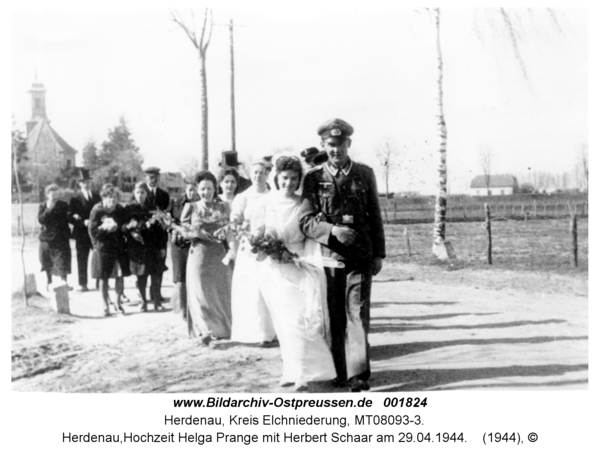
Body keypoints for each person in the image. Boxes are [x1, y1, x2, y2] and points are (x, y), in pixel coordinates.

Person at [298, 118, 386, 392]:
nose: (336, 149)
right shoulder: (314, 178)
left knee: (357, 314)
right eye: (331, 145)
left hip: (360, 255)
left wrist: (379, 254)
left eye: (341, 144)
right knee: (334, 317)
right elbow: (306, 220)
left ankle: (358, 374)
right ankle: (339, 371)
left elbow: (375, 217)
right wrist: (333, 230)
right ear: (324, 145)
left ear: (349, 144)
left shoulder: (364, 173)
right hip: (329, 258)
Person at [256, 156, 336, 391]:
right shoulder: (267, 203)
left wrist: (300, 259)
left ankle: (309, 372)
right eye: (284, 178)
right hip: (273, 270)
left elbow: (310, 235)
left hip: (298, 266)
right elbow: (259, 232)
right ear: (276, 178)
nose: (288, 183)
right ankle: (290, 370)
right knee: (282, 323)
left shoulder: (304, 203)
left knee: (300, 321)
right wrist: (265, 246)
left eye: (293, 178)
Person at [180, 171, 233, 344]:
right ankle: (204, 331)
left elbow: (230, 229)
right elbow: (184, 231)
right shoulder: (191, 207)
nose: (206, 192)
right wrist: (197, 233)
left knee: (219, 291)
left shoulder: (223, 207)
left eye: (209, 189)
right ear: (197, 189)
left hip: (219, 255)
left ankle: (222, 329)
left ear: (215, 188)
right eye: (202, 189)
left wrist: (225, 233)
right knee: (200, 292)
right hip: (199, 255)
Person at [229, 160, 276, 345]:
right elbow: (234, 220)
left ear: (266, 174)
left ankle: (269, 331)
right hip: (248, 248)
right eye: (255, 173)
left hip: (267, 248)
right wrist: (239, 226)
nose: (258, 176)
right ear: (250, 175)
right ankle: (252, 332)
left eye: (262, 172)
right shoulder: (243, 196)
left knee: (267, 288)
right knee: (250, 290)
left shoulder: (272, 196)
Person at [124, 182, 167, 312]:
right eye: (138, 192)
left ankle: (156, 302)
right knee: (141, 276)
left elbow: (160, 230)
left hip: (152, 247)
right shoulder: (129, 209)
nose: (140, 195)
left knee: (155, 275)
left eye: (143, 192)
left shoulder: (153, 208)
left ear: (147, 194)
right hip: (138, 248)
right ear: (134, 193)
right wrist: (131, 232)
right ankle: (143, 302)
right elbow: (123, 227)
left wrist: (162, 247)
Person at [89, 185, 131, 316]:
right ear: (104, 199)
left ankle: (118, 303)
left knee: (119, 276)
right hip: (103, 248)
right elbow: (93, 231)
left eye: (114, 199)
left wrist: (121, 227)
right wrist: (105, 229)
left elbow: (125, 225)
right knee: (104, 277)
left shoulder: (120, 209)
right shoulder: (97, 210)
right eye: (109, 199)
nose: (112, 202)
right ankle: (105, 304)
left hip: (118, 247)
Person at [168, 181, 198, 318]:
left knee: (196, 276)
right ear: (185, 190)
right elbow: (169, 222)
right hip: (179, 244)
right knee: (181, 277)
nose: (192, 193)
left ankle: (197, 309)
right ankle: (183, 310)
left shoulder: (201, 204)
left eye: (194, 190)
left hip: (195, 243)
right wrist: (176, 230)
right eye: (189, 190)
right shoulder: (176, 203)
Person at [68, 168, 101, 292]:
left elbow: (101, 212)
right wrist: (82, 221)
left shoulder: (97, 196)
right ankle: (83, 283)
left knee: (98, 256)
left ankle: (100, 281)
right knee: (82, 258)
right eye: (84, 182)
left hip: (95, 232)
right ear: (79, 183)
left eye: (88, 181)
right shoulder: (75, 198)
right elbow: (70, 216)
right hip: (81, 233)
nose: (86, 184)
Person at [143, 167, 170, 303]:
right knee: (147, 266)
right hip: (146, 236)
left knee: (160, 265)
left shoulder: (164, 195)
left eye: (155, 178)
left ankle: (156, 293)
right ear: (145, 178)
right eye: (150, 177)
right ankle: (145, 294)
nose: (153, 180)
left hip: (160, 236)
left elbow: (166, 214)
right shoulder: (140, 193)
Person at [38, 184, 72, 290]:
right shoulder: (43, 206)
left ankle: (64, 283)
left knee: (63, 260)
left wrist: (73, 216)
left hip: (61, 237)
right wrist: (49, 209)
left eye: (57, 195)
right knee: (47, 261)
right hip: (47, 238)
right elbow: (41, 220)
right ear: (47, 195)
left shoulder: (64, 205)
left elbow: (68, 217)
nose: (55, 197)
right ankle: (49, 282)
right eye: (52, 195)